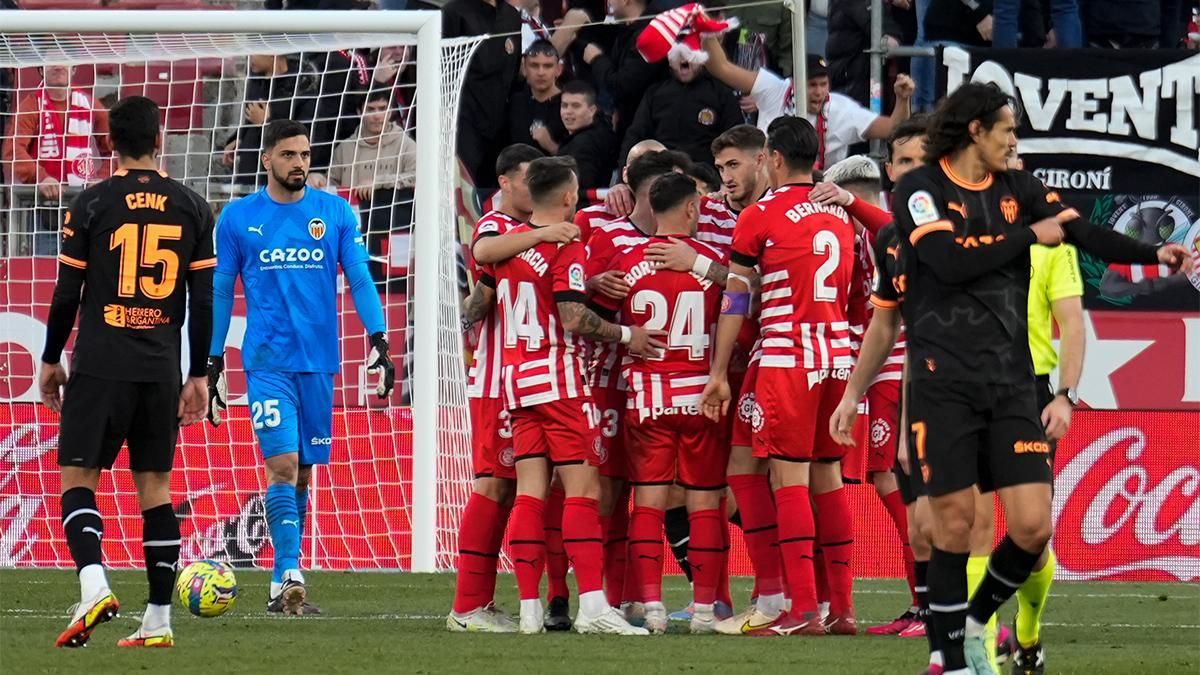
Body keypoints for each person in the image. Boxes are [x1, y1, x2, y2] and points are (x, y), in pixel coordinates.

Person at [888, 82, 1190, 674]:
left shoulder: (1019, 187)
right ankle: (948, 659)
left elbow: (1077, 229)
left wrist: (1153, 255)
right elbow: (948, 261)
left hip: (1010, 381)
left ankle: (976, 619)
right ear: (976, 129)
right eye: (1008, 129)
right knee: (952, 524)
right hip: (943, 379)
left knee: (1031, 526)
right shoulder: (920, 190)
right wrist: (1029, 235)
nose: (1015, 140)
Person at [40, 95, 214, 649]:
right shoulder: (193, 205)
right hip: (161, 366)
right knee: (156, 488)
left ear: (109, 143)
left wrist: (50, 358)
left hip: (101, 363)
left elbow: (69, 293)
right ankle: (158, 621)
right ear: (159, 139)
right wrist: (199, 374)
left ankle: (94, 586)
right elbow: (204, 301)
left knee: (77, 478)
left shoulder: (91, 204)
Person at [206, 119, 396, 616]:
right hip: (267, 363)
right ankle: (292, 570)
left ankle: (278, 585)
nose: (300, 164)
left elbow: (359, 277)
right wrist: (213, 357)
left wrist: (379, 338)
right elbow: (222, 290)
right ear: (266, 160)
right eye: (289, 155)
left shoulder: (334, 213)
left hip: (319, 364)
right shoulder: (237, 218)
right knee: (283, 466)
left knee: (305, 473)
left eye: (306, 155)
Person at [480, 155, 660, 635]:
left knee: (531, 495)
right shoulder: (567, 244)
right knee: (584, 491)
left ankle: (529, 610)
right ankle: (595, 607)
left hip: (516, 380)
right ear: (565, 197)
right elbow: (574, 318)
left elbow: (482, 267)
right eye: (576, 190)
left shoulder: (507, 247)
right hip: (558, 376)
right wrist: (626, 336)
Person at [702, 116, 860, 636]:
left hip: (786, 359)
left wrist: (718, 371)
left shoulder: (760, 214)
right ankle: (841, 609)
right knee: (827, 477)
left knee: (788, 480)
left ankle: (801, 610)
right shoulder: (840, 216)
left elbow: (738, 297)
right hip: (837, 359)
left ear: (771, 158)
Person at [449, 143, 581, 632]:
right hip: (498, 381)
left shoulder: (543, 230)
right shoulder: (496, 225)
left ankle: (542, 600)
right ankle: (468, 605)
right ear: (505, 183)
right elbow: (483, 262)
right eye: (528, 179)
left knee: (537, 489)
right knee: (495, 483)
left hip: (540, 379)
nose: (536, 188)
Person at [593, 172, 728, 634]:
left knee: (647, 506)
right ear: (691, 209)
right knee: (705, 503)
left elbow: (588, 310)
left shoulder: (626, 261)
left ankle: (650, 609)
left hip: (647, 399)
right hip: (701, 396)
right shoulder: (709, 260)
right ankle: (707, 611)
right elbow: (747, 295)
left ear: (650, 208)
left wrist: (594, 283)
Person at [699, 44, 914, 170]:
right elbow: (721, 67)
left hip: (821, 193)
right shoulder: (774, 89)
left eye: (823, 84)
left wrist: (902, 99)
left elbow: (895, 128)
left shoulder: (841, 109)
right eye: (812, 85)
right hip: (767, 187)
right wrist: (707, 33)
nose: (819, 92)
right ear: (795, 83)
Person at [619, 56, 742, 166]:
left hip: (706, 177)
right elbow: (635, 136)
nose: (684, 57)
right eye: (678, 52)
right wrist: (622, 180)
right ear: (669, 60)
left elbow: (735, 140)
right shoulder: (655, 93)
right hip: (662, 174)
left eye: (689, 51)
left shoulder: (721, 94)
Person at [507, 40, 570, 154]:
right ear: (524, 69)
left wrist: (552, 146)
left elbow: (581, 159)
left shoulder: (570, 104)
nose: (541, 72)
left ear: (558, 70)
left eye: (548, 66)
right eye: (534, 65)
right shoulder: (515, 102)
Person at [557, 80, 619, 192]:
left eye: (576, 106)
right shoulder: (602, 131)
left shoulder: (583, 145)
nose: (568, 112)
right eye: (564, 106)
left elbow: (581, 190)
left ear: (592, 110)